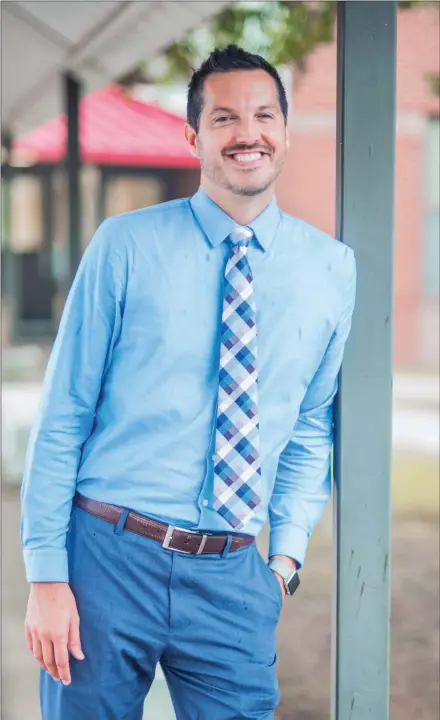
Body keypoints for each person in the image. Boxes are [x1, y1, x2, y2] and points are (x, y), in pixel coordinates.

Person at [21, 44, 356, 720]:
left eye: (264, 115)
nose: (247, 133)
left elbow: (312, 427)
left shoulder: (332, 269)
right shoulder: (125, 245)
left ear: (284, 132)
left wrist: (283, 562)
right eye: (225, 118)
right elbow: (65, 415)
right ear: (194, 136)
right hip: (106, 561)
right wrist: (48, 578)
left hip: (234, 575)